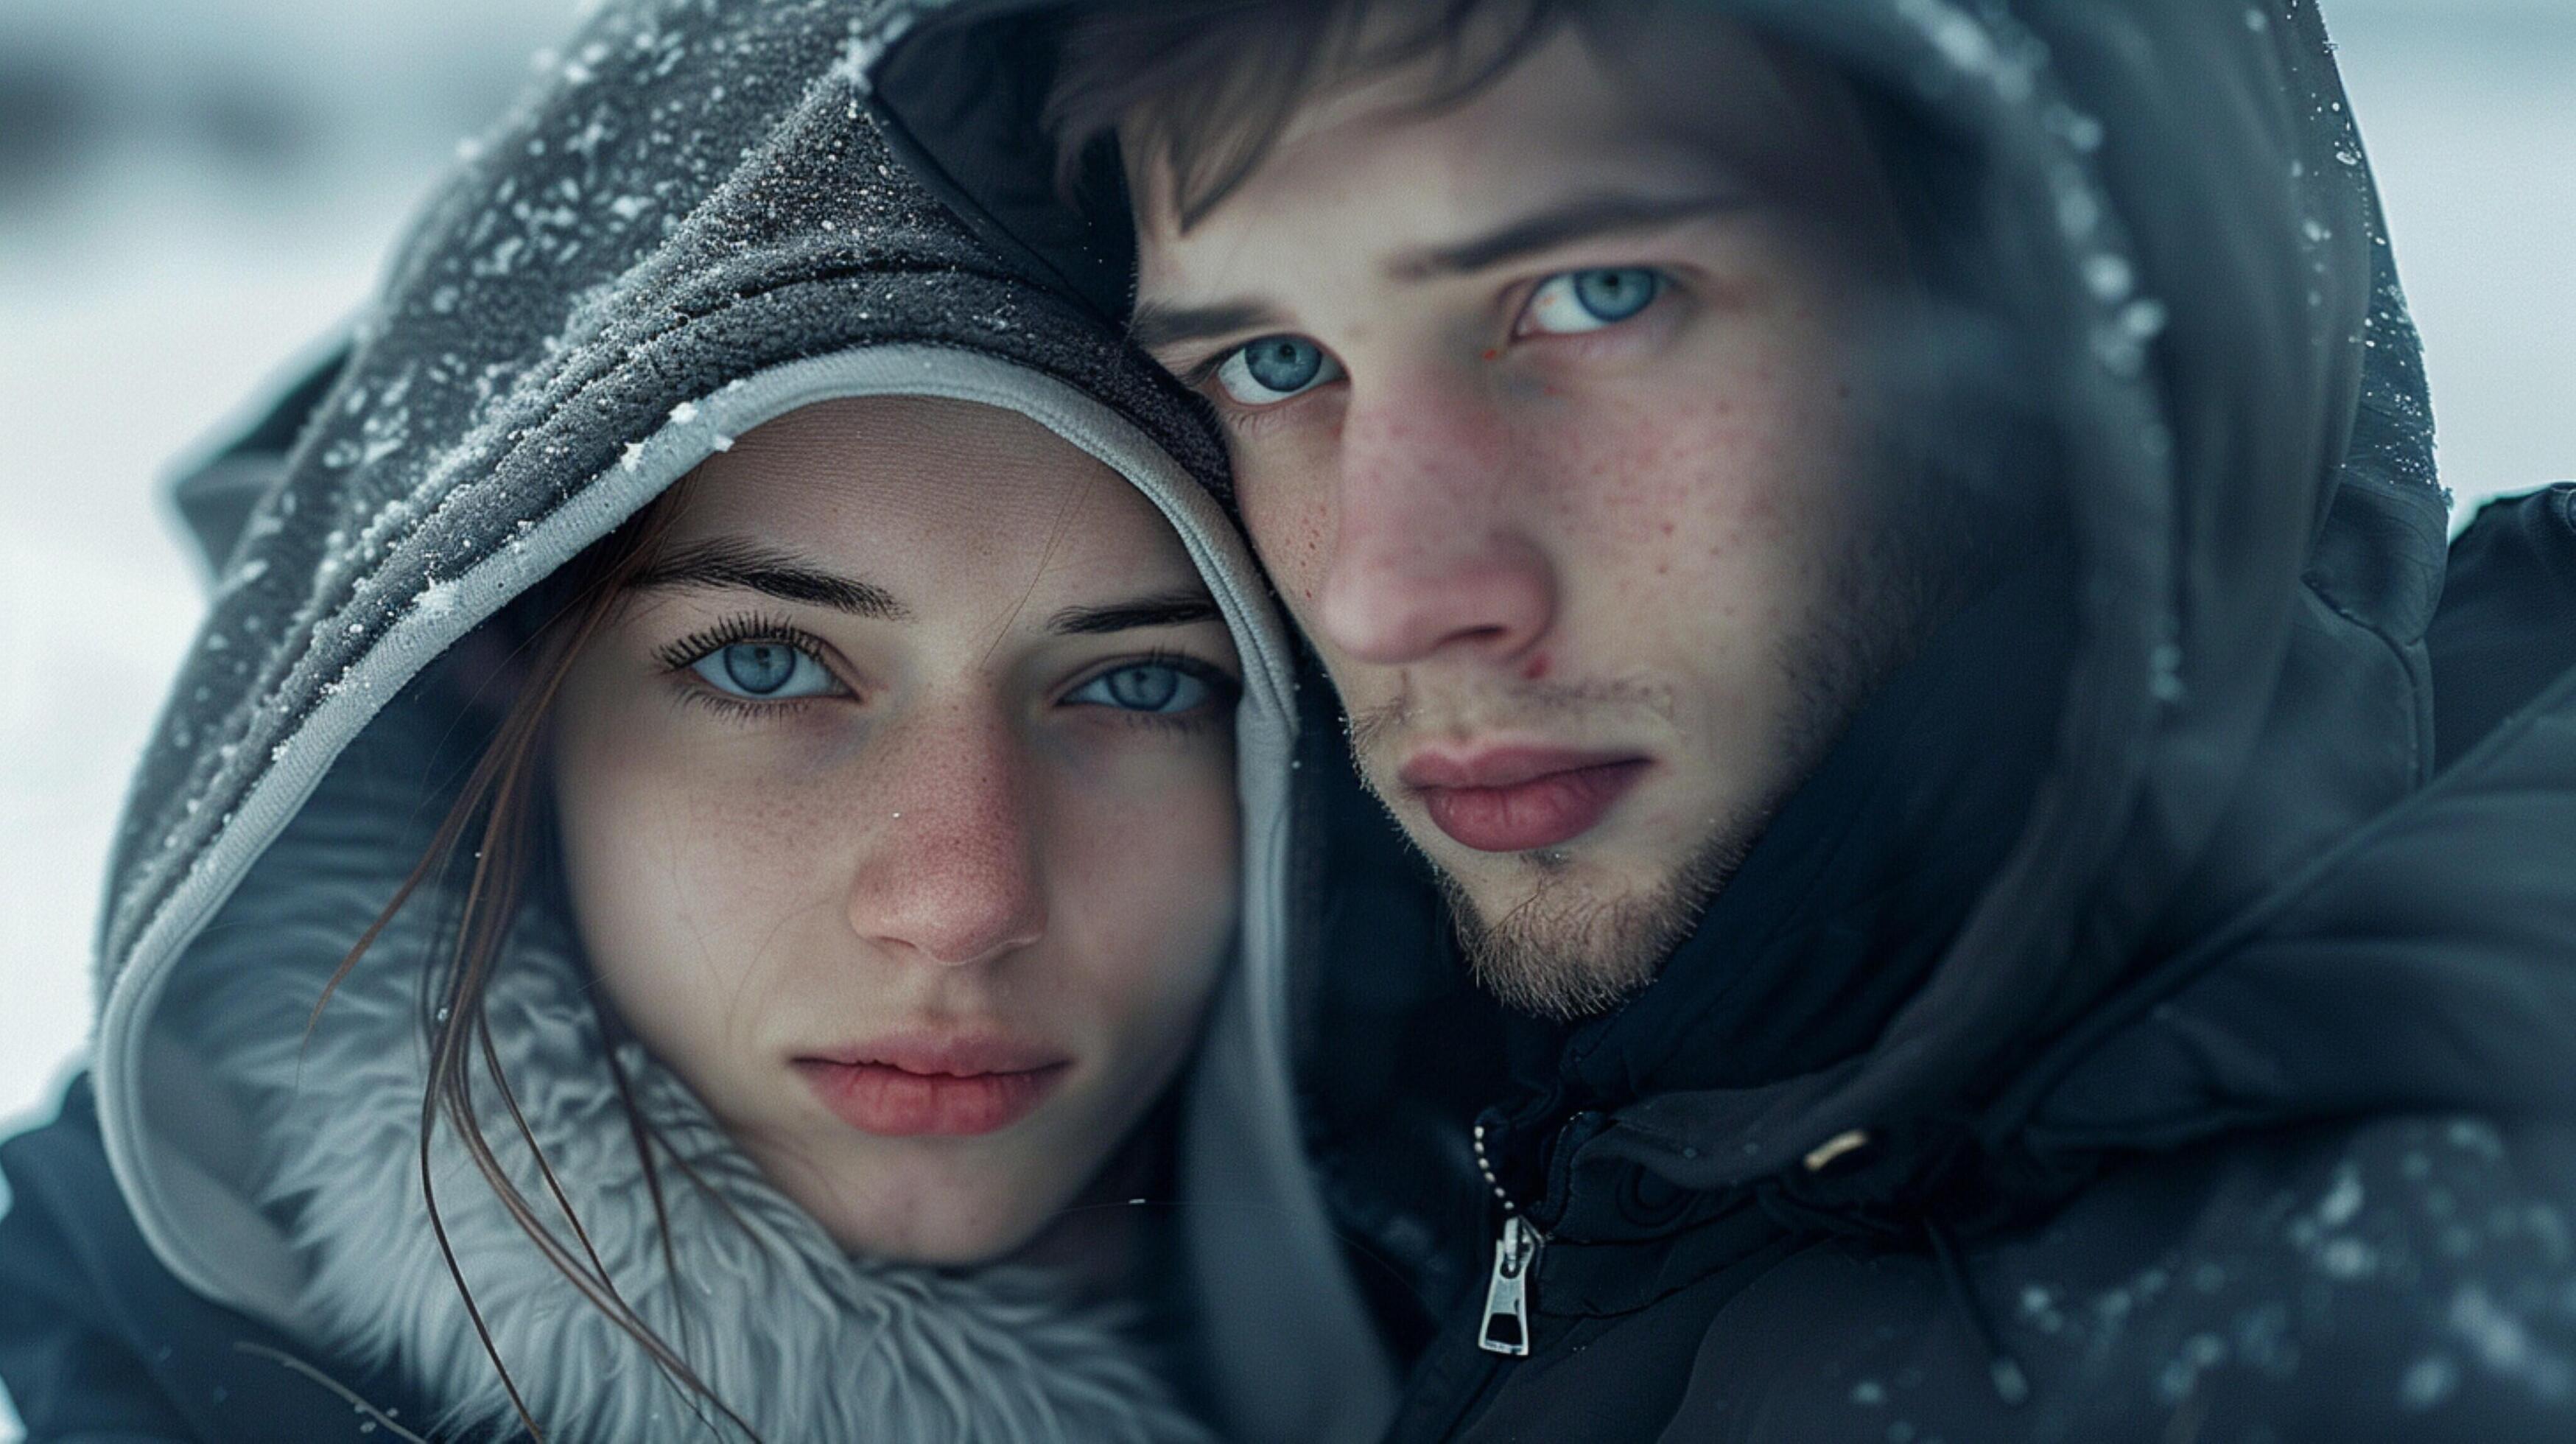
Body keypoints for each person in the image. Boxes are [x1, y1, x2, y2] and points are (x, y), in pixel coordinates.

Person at [861, 0, 2576, 1438]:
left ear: (2063, 296)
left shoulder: (2359, 1306)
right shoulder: (1466, 1108)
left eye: (1601, 295)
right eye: (1277, 364)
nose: (1387, 593)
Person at [0, 7, 1395, 1442]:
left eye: (1138, 683)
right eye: (774, 665)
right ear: (496, 654)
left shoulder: (1560, 1268)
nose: (963, 903)